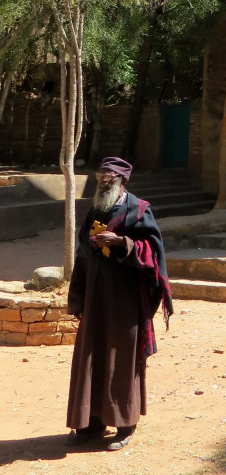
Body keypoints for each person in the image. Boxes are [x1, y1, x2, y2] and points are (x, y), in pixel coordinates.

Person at [66, 156, 173, 451]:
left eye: (109, 177)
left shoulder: (139, 210)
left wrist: (121, 242)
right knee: (92, 355)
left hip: (126, 300)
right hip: (95, 297)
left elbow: (153, 253)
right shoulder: (95, 210)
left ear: (122, 180)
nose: (103, 180)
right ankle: (91, 423)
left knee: (122, 358)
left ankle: (125, 425)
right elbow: (82, 255)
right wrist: (77, 297)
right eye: (101, 175)